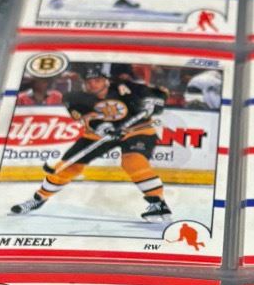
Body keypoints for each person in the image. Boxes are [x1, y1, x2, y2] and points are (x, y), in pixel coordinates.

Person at [9, 64, 172, 222]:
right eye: (89, 81)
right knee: (67, 166)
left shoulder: (125, 87)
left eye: (97, 80)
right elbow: (88, 120)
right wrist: (104, 128)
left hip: (137, 131)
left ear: (106, 80)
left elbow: (161, 93)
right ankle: (38, 198)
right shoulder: (73, 98)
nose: (93, 84)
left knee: (133, 161)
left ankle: (158, 203)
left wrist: (156, 101)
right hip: (98, 135)